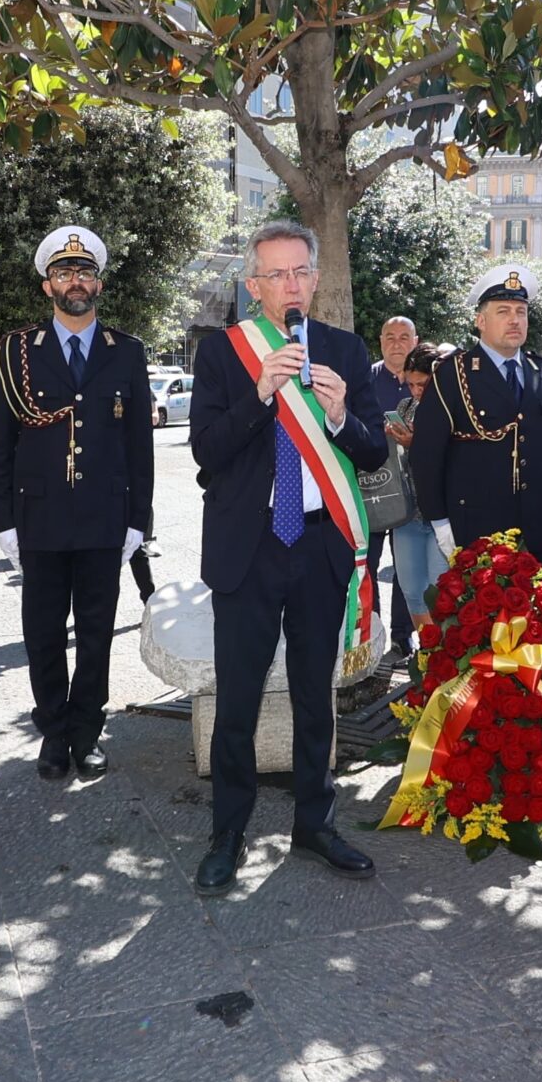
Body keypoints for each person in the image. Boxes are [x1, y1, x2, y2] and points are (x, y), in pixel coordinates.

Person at [189, 221, 390, 895]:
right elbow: (206, 452)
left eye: (301, 271)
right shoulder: (224, 354)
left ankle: (316, 823)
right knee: (237, 700)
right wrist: (258, 396)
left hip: (318, 543)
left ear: (316, 277)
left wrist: (338, 417)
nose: (292, 285)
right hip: (247, 550)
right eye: (277, 274)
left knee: (314, 694)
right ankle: (227, 832)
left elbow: (373, 452)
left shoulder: (344, 350)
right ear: (254, 286)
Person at [0, 226, 155, 782]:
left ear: (98, 284)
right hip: (40, 518)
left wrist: (139, 520)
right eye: (63, 273)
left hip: (106, 518)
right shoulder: (16, 352)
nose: (74, 281)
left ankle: (87, 731)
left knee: (97, 630)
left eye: (83, 273)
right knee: (44, 631)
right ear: (47, 286)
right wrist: (4, 521)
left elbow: (140, 447)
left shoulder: (127, 352)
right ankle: (54, 732)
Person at [410, 265, 542, 569]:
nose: (514, 320)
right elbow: (426, 454)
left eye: (521, 312)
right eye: (503, 311)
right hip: (478, 528)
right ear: (480, 321)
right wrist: (440, 522)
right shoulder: (453, 373)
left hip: (538, 529)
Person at [390, 345, 450, 630]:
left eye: (422, 384)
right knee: (412, 591)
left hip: (441, 515)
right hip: (408, 513)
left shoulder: (453, 408)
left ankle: (446, 653)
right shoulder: (405, 407)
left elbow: (454, 460)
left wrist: (416, 445)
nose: (415, 391)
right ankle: (428, 651)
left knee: (440, 595)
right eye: (410, 384)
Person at [370, 315, 419, 646]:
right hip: (372, 487)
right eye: (390, 337)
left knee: (406, 569)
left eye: (404, 337)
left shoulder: (428, 382)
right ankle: (371, 635)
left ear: (415, 342)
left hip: (413, 491)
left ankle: (403, 636)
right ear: (381, 342)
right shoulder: (364, 379)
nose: (397, 343)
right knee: (367, 565)